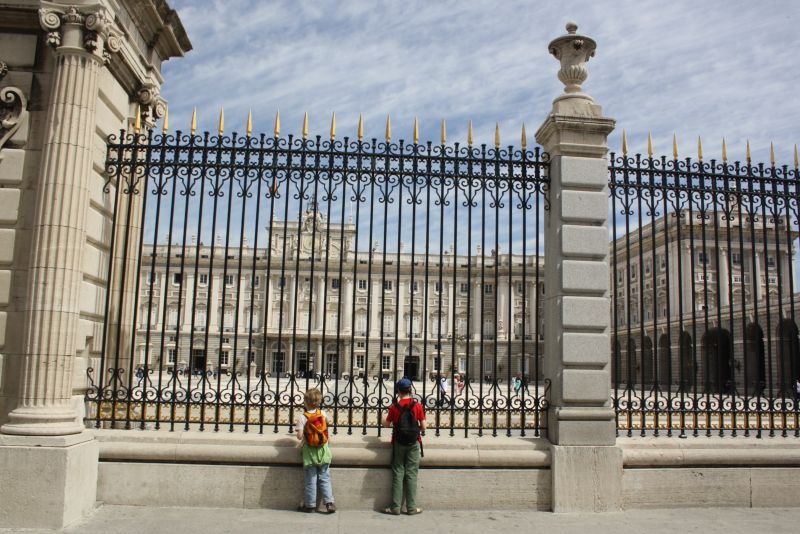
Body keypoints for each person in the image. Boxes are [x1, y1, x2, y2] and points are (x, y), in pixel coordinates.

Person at [382, 378, 426, 515]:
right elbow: (424, 426)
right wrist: (414, 430)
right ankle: (411, 507)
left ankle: (395, 507)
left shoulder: (395, 407)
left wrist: (382, 417)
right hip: (414, 442)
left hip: (398, 442)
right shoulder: (417, 406)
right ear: (410, 390)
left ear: (398, 391)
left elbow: (386, 424)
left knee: (398, 472)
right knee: (412, 474)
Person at [295, 388, 336, 513]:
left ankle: (310, 505)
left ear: (305, 402)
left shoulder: (303, 417)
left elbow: (299, 436)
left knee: (311, 479)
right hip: (323, 450)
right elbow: (330, 423)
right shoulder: (322, 414)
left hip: (309, 452)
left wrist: (298, 429)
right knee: (324, 477)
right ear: (319, 402)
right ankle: (329, 503)